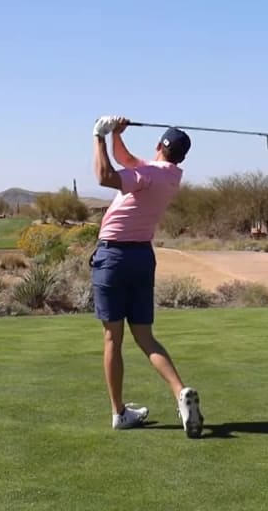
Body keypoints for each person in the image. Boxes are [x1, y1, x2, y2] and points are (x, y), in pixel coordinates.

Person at [90, 114, 204, 438]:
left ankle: (119, 413)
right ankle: (181, 393)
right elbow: (127, 160)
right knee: (145, 337)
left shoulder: (148, 174)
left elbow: (104, 175)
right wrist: (116, 135)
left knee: (113, 338)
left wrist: (98, 135)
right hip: (142, 256)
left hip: (113, 256)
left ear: (158, 146)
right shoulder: (170, 176)